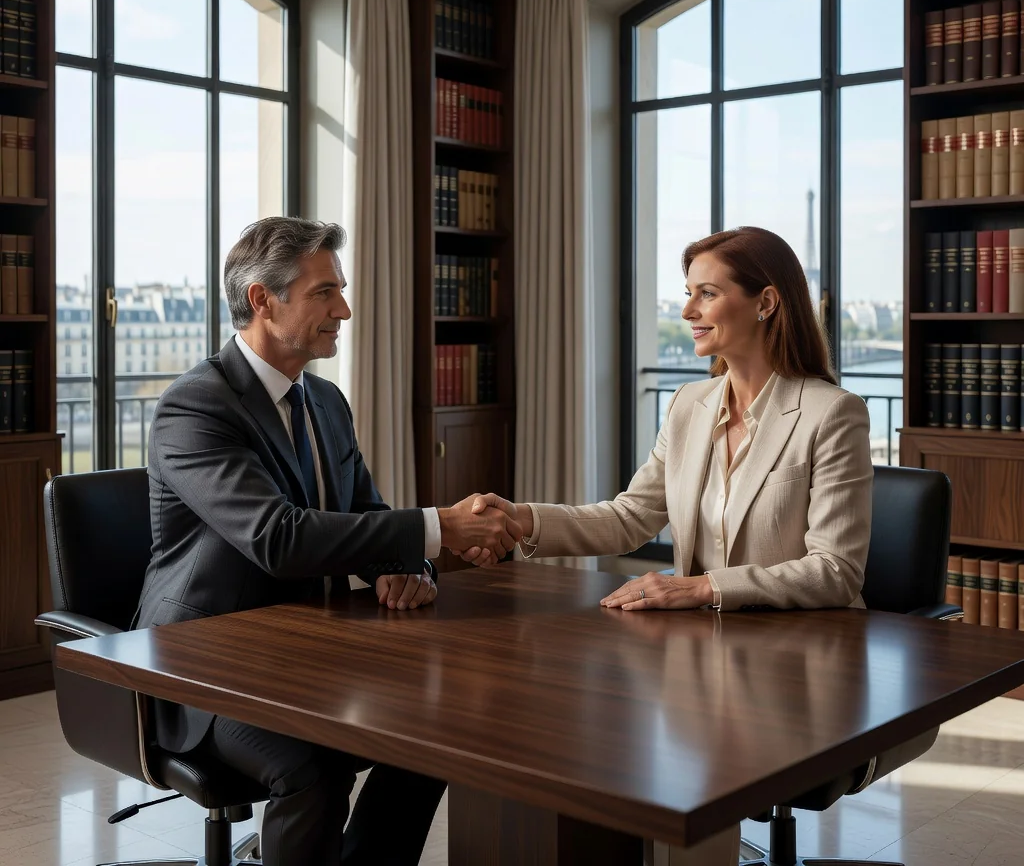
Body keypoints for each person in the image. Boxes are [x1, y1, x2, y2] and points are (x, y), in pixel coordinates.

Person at [136, 216, 521, 866]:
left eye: (340, 290)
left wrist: (403, 568)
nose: (344, 308)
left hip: (306, 651)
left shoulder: (327, 402)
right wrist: (440, 527)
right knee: (312, 766)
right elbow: (277, 538)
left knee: (438, 734)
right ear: (262, 299)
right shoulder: (195, 408)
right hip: (205, 668)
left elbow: (364, 511)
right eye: (324, 293)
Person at [462, 225, 873, 613]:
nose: (687, 310)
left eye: (707, 294)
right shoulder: (686, 405)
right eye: (689, 293)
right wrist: (523, 519)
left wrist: (699, 587)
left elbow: (835, 570)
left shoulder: (833, 413)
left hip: (808, 650)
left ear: (765, 302)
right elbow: (630, 518)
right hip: (702, 644)